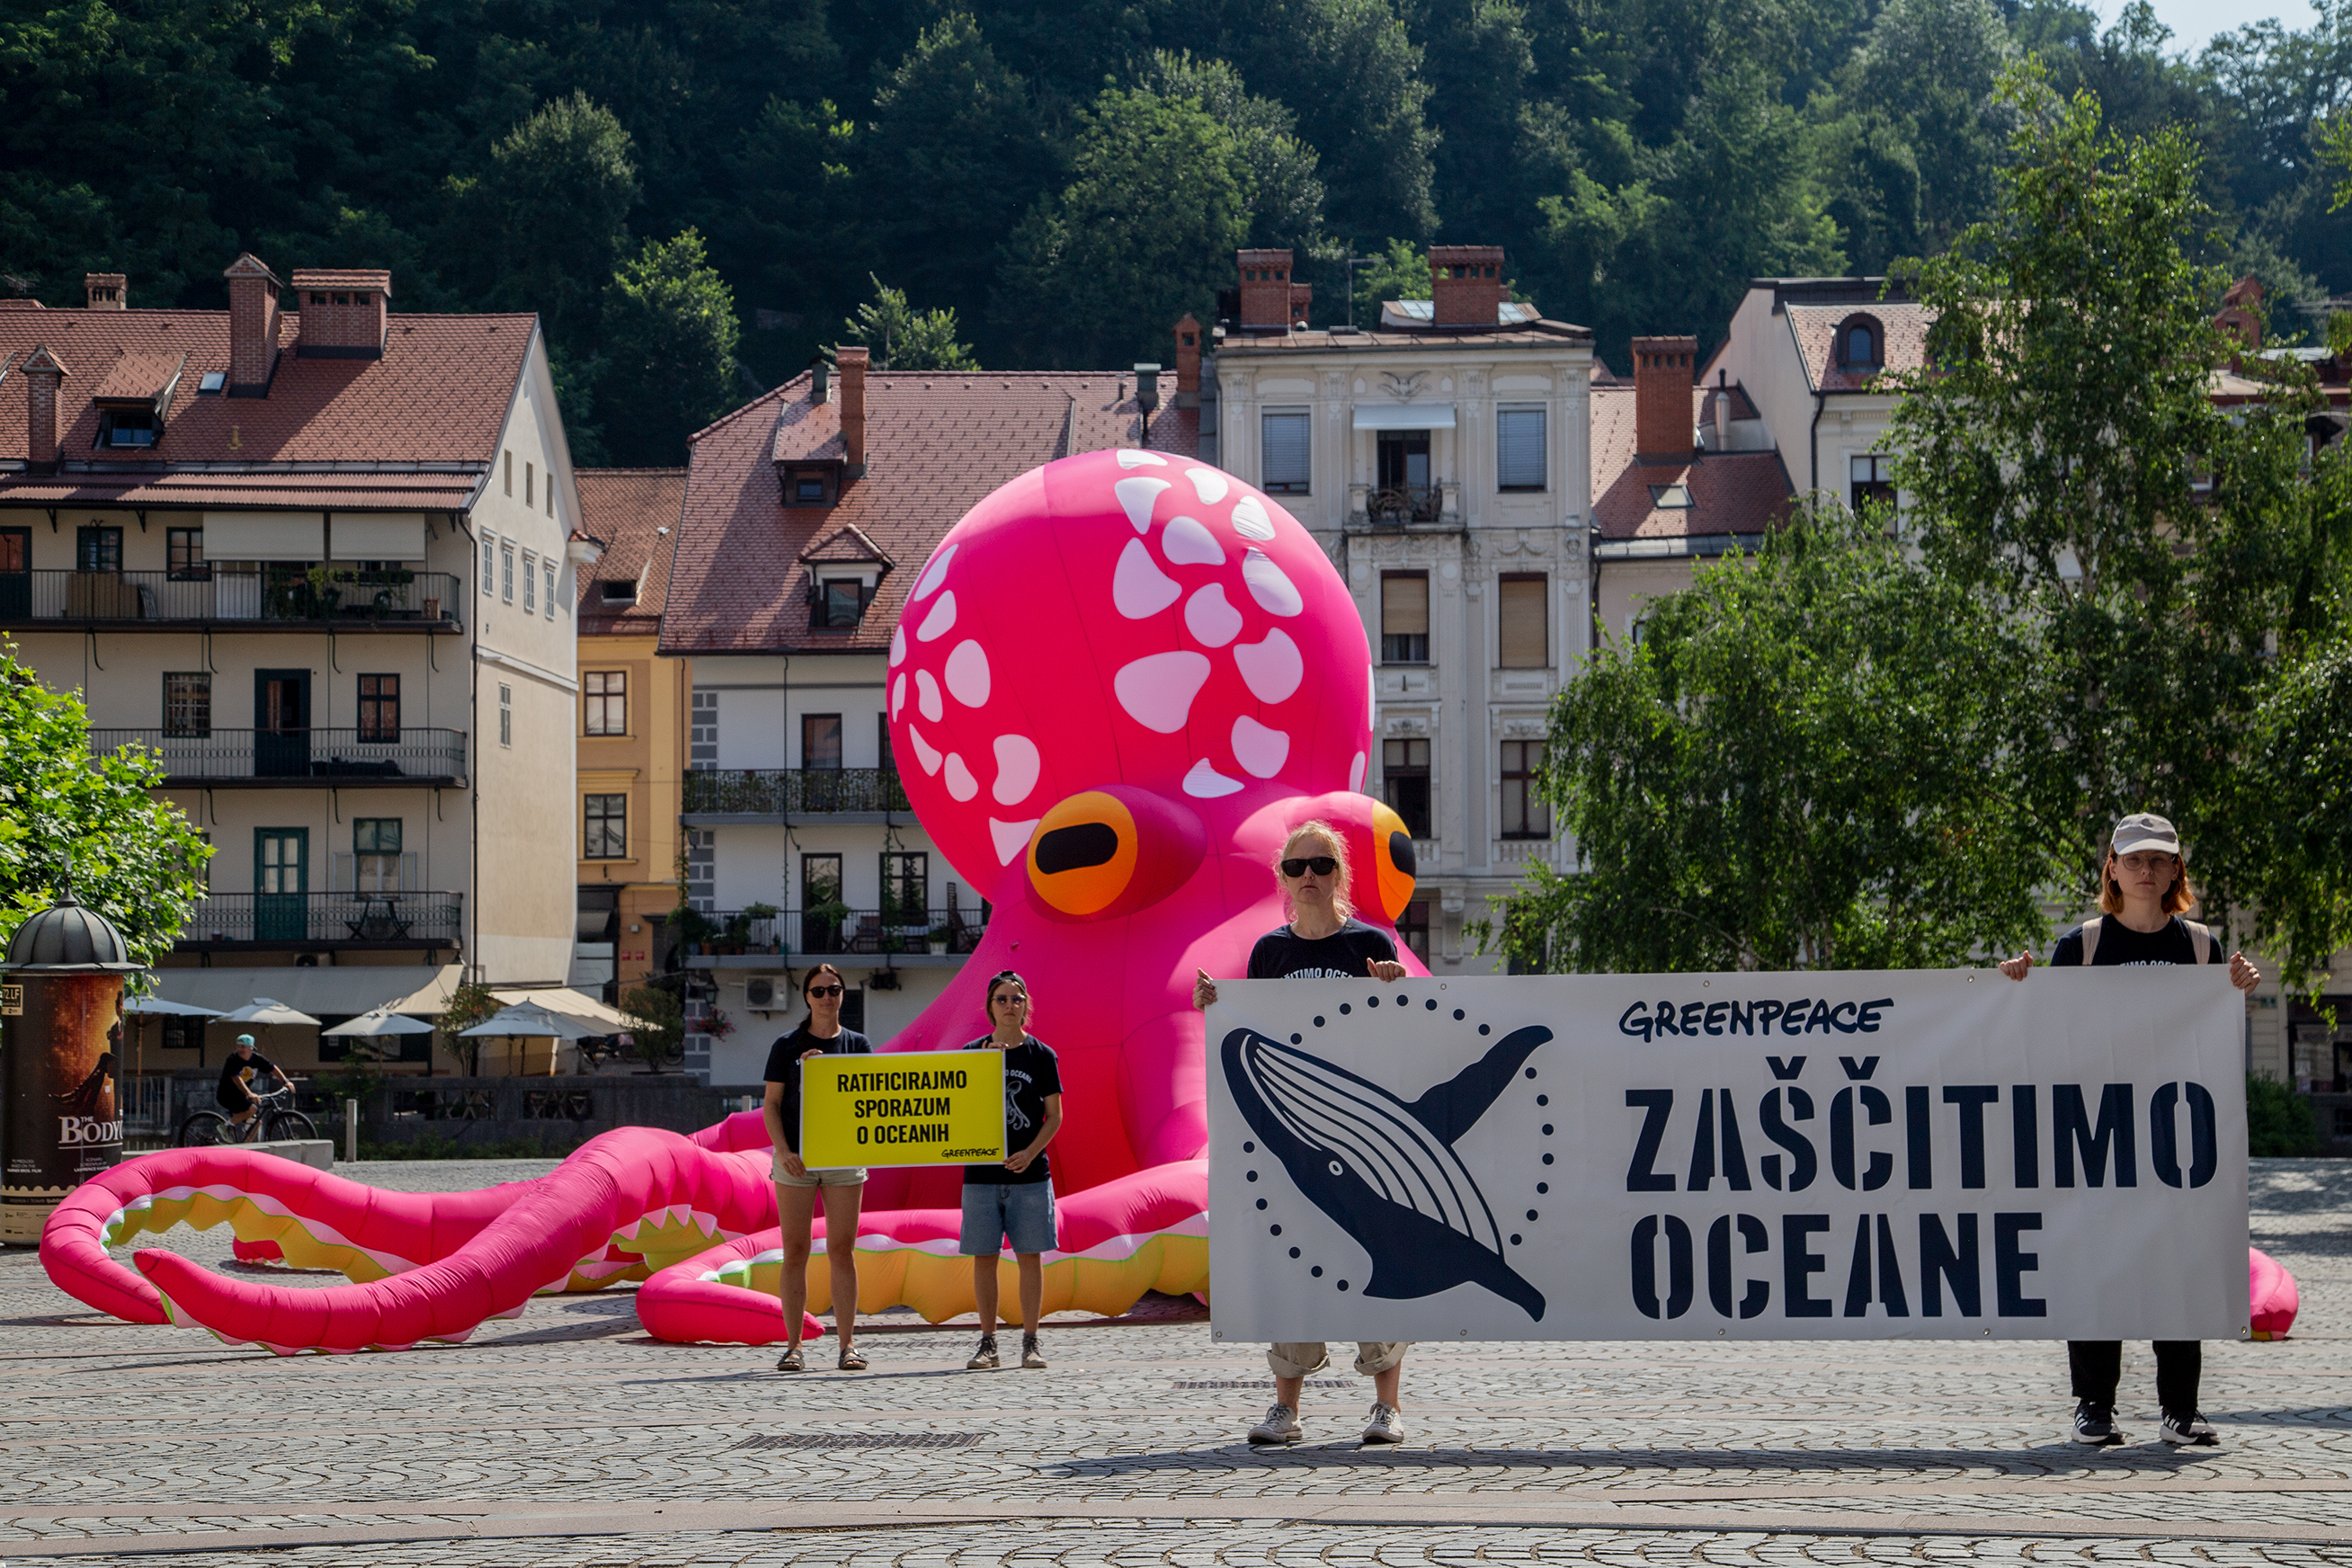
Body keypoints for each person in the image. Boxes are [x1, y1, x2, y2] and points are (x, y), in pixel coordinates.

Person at [1998, 812, 2260, 1448]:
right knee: (2095, 1265)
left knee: (2182, 1263)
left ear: (2176, 871)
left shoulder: (2201, 947)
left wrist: (2238, 992)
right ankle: (2094, 1406)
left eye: (2159, 860)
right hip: (2096, 1132)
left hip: (2176, 1134)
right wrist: (2015, 988)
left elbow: (2211, 1038)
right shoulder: (2080, 946)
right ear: (2112, 869)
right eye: (2134, 859)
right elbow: (2044, 1036)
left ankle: (2181, 1410)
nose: (2147, 870)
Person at [1192, 819, 1412, 1447]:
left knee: (1380, 1255)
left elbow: (1414, 1033)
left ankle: (1386, 1407)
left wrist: (1395, 989)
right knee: (1292, 1257)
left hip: (1363, 1133)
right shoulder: (1270, 953)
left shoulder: (1368, 944)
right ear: (1282, 878)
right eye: (1296, 867)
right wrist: (1216, 1002)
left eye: (1320, 865)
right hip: (1292, 1135)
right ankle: (1286, 1407)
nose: (1309, 877)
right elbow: (1249, 1033)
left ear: (1340, 873)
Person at [762, 964, 872, 1372]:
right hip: (797, 1159)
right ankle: (794, 1346)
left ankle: (848, 1345)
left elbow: (869, 1104)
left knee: (842, 1251)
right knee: (796, 1250)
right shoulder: (787, 1046)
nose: (827, 997)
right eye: (819, 990)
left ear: (844, 995)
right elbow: (771, 1105)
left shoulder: (858, 1045)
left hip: (843, 1158)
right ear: (806, 996)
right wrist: (784, 1150)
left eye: (835, 989)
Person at [959, 970, 1064, 1372]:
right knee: (984, 1257)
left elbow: (1053, 1116)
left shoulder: (1042, 1055)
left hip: (1030, 1174)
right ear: (990, 1007)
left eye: (1016, 999)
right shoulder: (972, 1053)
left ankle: (1031, 1340)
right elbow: (958, 1111)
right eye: (1001, 999)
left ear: (1026, 1006)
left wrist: (1029, 1151)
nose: (1009, 1005)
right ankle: (988, 1342)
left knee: (1029, 1257)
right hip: (982, 1175)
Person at [218, 1033, 292, 1140]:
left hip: (240, 1096)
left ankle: (245, 1148)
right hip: (226, 1095)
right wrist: (249, 1094)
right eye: (238, 1046)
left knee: (256, 1123)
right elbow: (236, 1079)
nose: (240, 1049)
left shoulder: (257, 1059)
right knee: (252, 1109)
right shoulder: (233, 1059)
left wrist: (286, 1081)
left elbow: (273, 1068)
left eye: (243, 1047)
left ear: (251, 1048)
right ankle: (226, 1126)